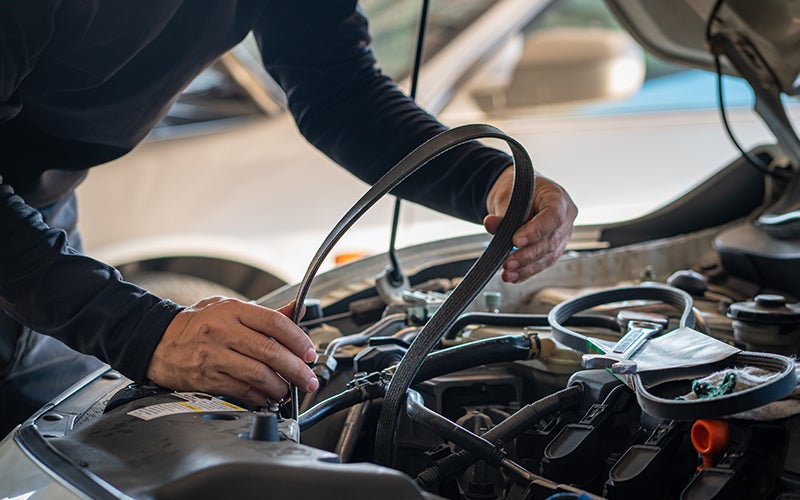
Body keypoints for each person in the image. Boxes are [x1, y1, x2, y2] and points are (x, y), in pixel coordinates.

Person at [0, 1, 577, 434]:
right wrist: (144, 331)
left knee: (39, 441)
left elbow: (335, 85)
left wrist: (490, 180)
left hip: (35, 223)